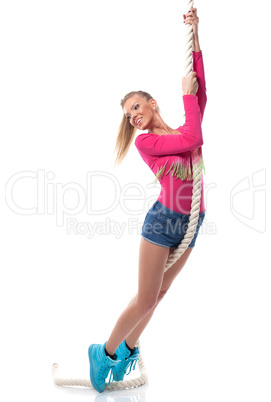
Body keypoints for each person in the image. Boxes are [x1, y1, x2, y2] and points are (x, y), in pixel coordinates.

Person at [88, 8, 207, 393]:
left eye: (136, 107)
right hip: (163, 222)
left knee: (161, 296)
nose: (133, 117)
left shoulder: (180, 125)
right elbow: (192, 139)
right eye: (128, 115)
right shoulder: (148, 143)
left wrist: (196, 32)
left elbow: (199, 90)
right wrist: (188, 99)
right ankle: (103, 352)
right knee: (144, 300)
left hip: (193, 221)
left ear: (152, 103)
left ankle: (129, 348)